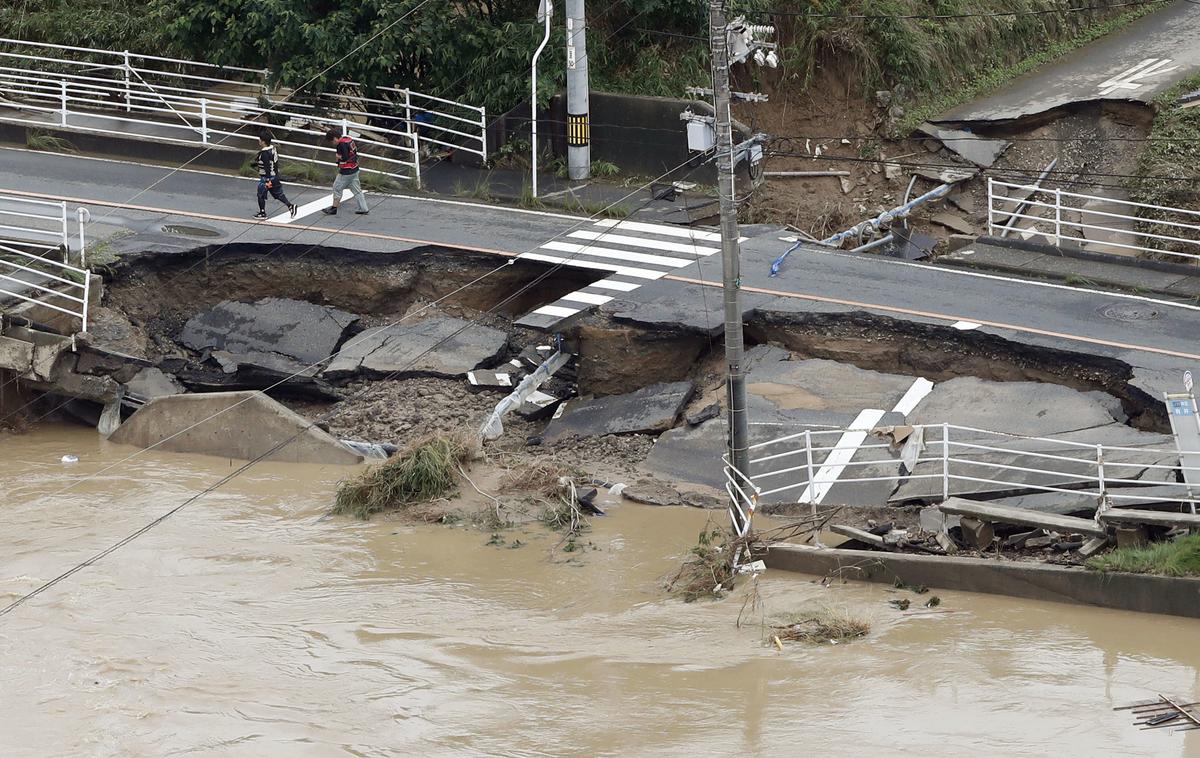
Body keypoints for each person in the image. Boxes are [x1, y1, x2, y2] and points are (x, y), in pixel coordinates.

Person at [322, 128, 369, 216]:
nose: (333, 143)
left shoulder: (341, 144)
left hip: (346, 170)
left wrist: (338, 157)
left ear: (335, 138)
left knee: (337, 187)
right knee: (356, 189)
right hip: (354, 168)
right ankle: (363, 208)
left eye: (332, 141)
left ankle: (334, 208)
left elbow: (345, 157)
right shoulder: (348, 139)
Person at [252, 132, 296, 220]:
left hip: (266, 178)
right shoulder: (273, 149)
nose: (259, 141)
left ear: (263, 141)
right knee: (278, 194)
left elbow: (267, 167)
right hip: (274, 177)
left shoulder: (264, 153)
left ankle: (262, 212)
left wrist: (267, 180)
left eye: (260, 139)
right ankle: (290, 206)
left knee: (261, 194)